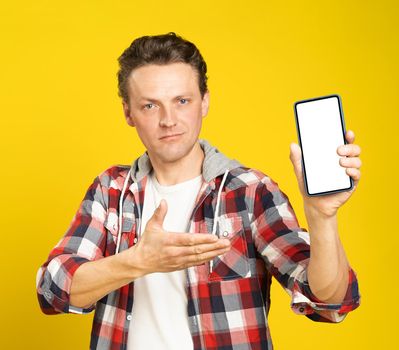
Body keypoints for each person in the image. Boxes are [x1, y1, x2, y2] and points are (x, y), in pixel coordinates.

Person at [36, 32, 361, 350]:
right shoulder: (111, 191)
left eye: (182, 101)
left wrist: (321, 216)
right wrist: (140, 261)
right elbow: (53, 289)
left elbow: (330, 301)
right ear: (128, 113)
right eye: (150, 105)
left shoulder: (249, 192)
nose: (168, 120)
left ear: (204, 102)